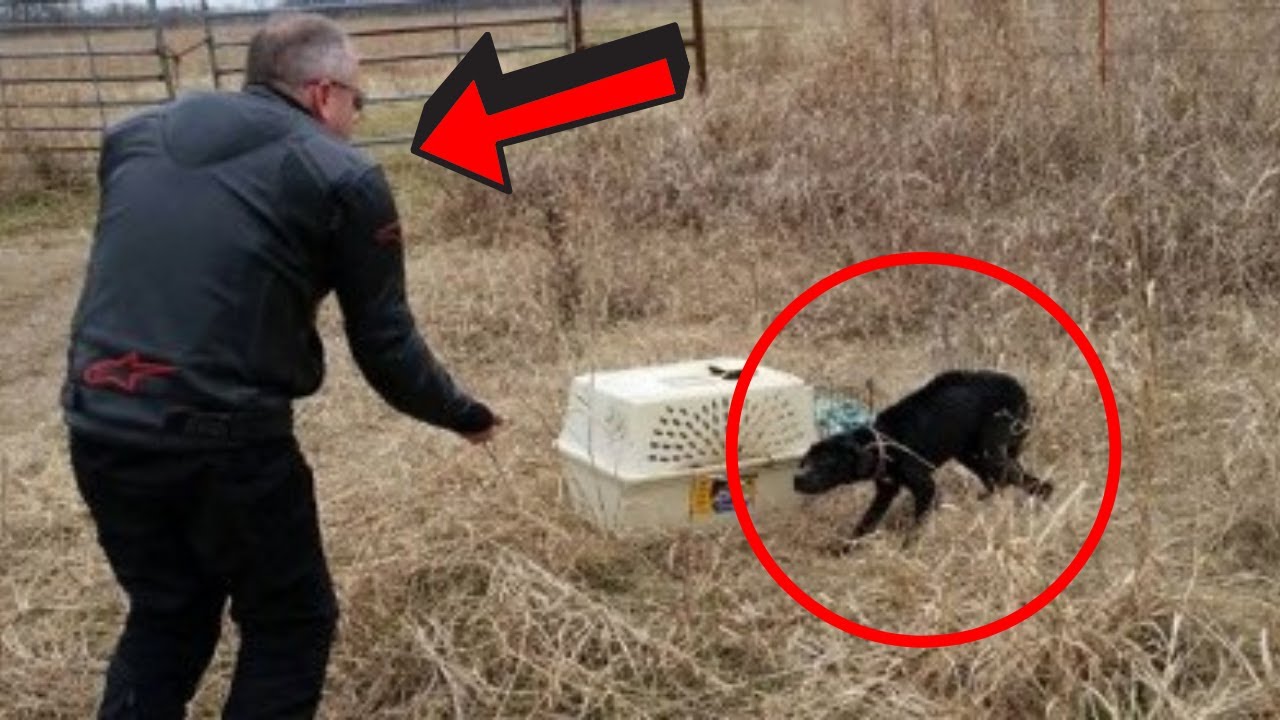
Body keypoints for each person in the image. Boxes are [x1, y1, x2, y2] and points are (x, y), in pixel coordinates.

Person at [60, 12, 500, 718]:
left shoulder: (132, 138)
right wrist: (464, 413)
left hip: (98, 420)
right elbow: (385, 344)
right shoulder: (343, 174)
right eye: (358, 101)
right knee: (291, 623)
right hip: (224, 437)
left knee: (167, 612)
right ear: (325, 94)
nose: (357, 117)